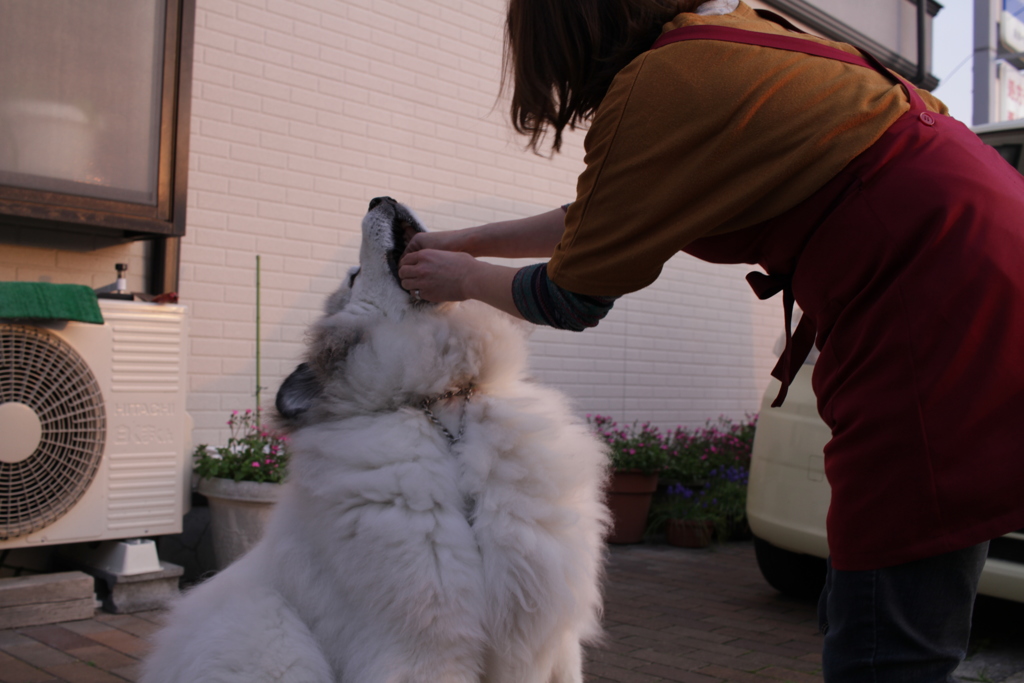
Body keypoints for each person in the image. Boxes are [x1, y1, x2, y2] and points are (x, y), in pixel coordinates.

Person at [398, 1, 1024, 680]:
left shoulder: (656, 84)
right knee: (890, 581)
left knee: (888, 620)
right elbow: (610, 212)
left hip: (935, 291)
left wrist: (462, 277)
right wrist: (470, 244)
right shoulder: (721, 45)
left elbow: (570, 295)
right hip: (984, 246)